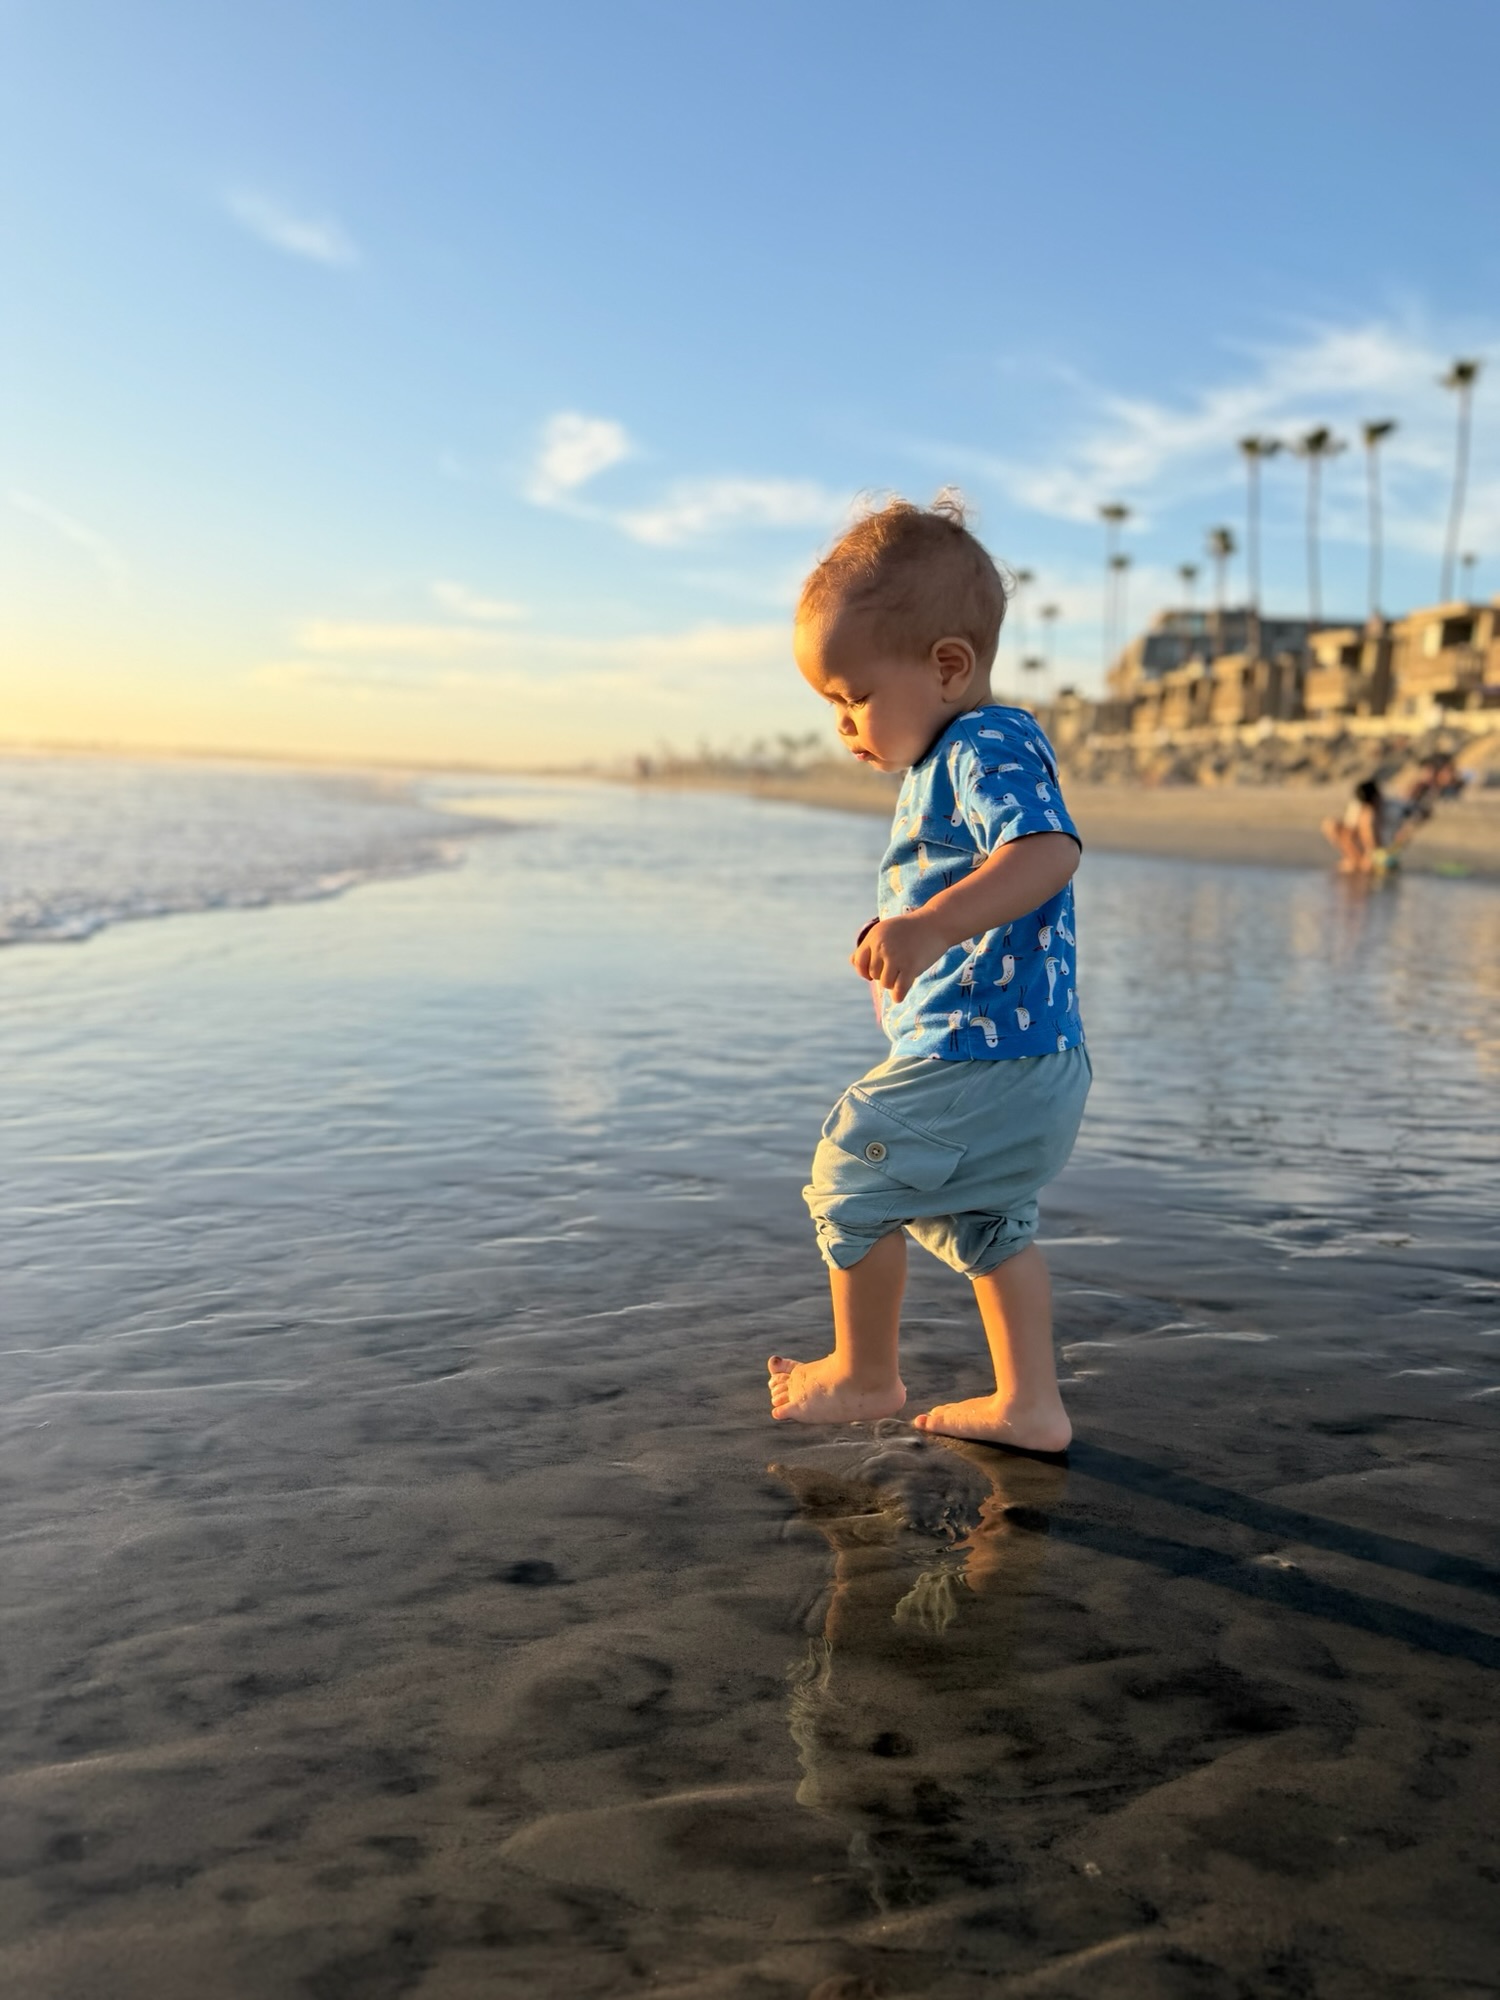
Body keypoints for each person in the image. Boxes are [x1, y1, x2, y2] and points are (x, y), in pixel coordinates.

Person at [767, 494, 1090, 1452]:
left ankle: (865, 1374)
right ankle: (1029, 1404)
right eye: (831, 705)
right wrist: (905, 939)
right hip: (1021, 1061)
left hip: (992, 1058)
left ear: (947, 666)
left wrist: (923, 927)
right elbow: (966, 877)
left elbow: (1047, 853)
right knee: (986, 1220)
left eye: (853, 696)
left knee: (847, 1170)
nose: (842, 723)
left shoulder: (983, 743)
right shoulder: (949, 756)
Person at [1321, 777, 1402, 874]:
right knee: (1331, 824)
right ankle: (1355, 860)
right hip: (1365, 845)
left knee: (1366, 820)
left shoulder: (1392, 807)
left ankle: (1361, 862)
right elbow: (1351, 830)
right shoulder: (1360, 806)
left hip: (1382, 848)